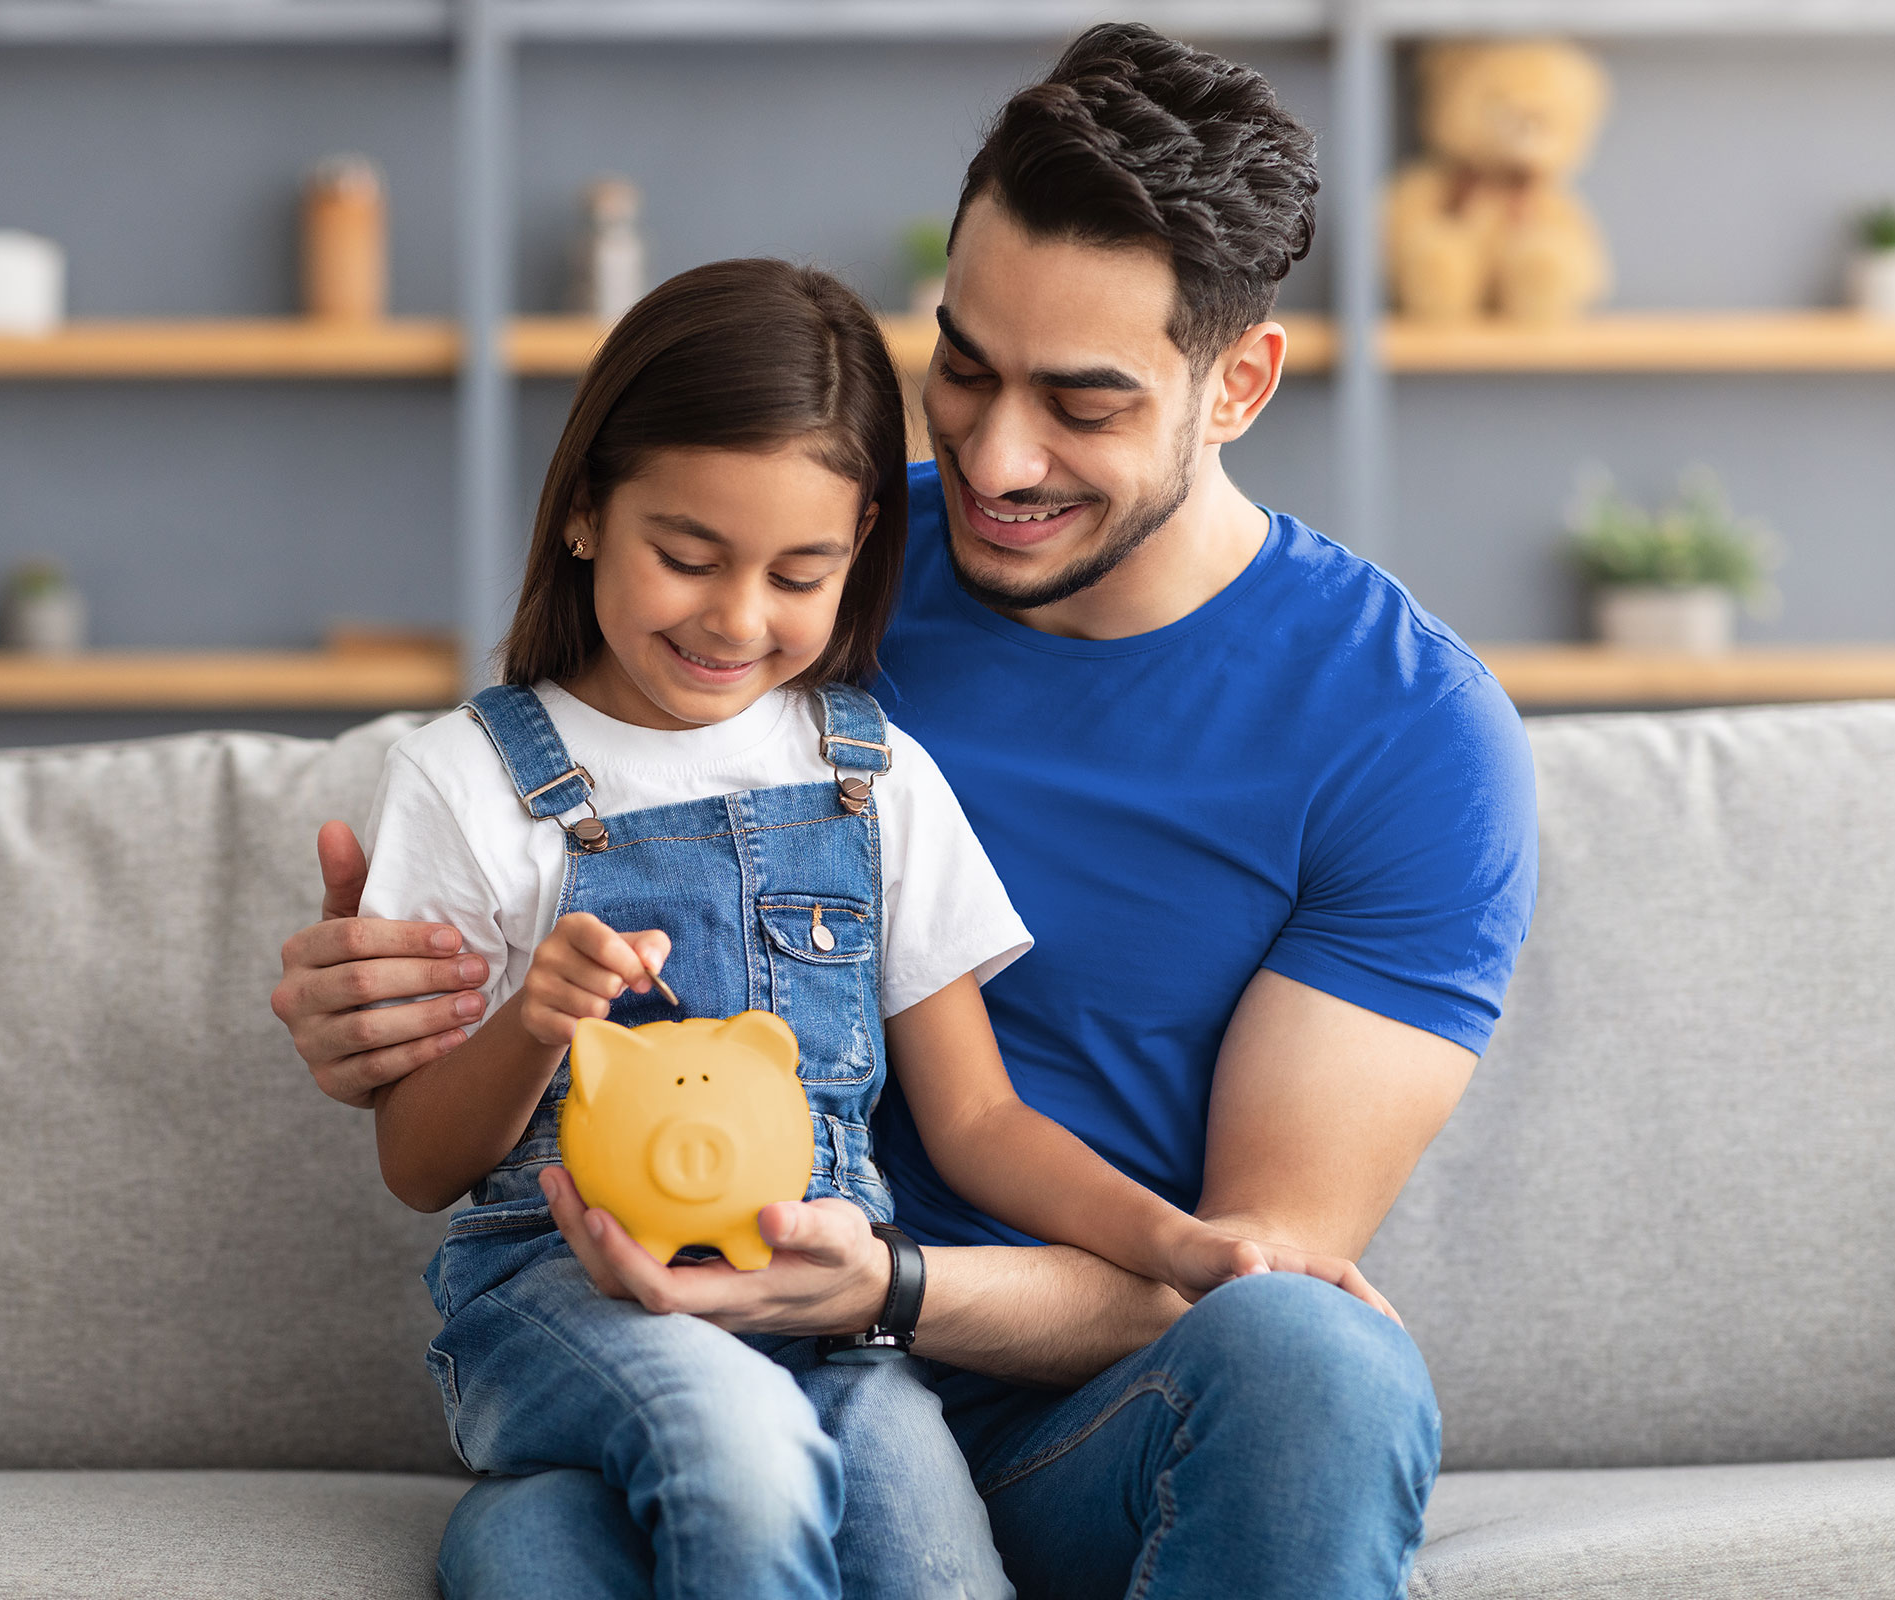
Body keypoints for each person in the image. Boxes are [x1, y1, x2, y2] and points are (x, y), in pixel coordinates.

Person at [274, 24, 1537, 1600]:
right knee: (528, 1546)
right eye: (966, 363)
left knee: (1320, 1358)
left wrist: (882, 1293)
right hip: (691, 1367)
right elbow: (556, 789)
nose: (997, 457)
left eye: (1083, 403)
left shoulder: (1407, 736)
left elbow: (1222, 1279)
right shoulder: (810, 559)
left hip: (1063, 1417)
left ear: (1240, 385)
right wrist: (394, 1013)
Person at [360, 256, 1393, 1600]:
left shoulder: (875, 773)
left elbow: (977, 1123)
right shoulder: (470, 779)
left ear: (861, 564)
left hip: (833, 1309)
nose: (737, 617)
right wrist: (533, 1025)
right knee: (744, 1454)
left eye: (803, 574)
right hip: (566, 1297)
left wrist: (1181, 1244)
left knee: (931, 1560)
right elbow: (418, 1165)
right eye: (687, 556)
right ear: (583, 518)